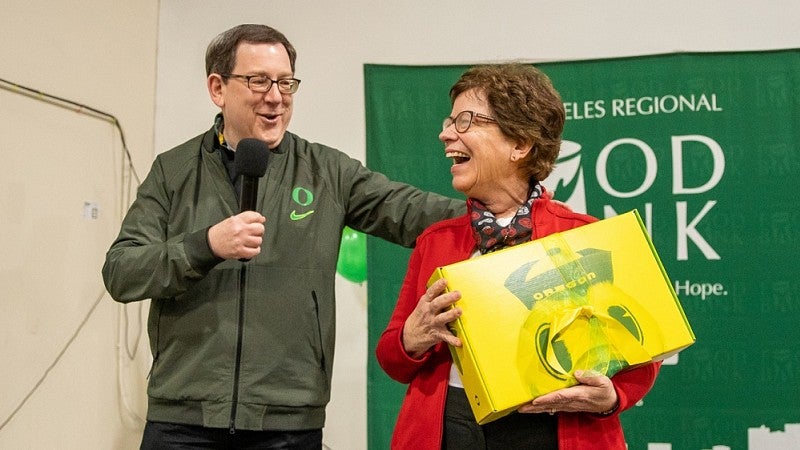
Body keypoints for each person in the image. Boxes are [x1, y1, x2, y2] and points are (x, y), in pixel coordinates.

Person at [101, 24, 464, 449]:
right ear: (217, 88)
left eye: (285, 82)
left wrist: (510, 209)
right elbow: (121, 271)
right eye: (258, 81)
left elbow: (415, 212)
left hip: (289, 419)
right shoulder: (173, 170)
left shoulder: (328, 171)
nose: (275, 96)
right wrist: (205, 245)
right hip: (182, 418)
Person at [375, 63, 661, 449]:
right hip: (450, 428)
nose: (445, 134)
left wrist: (611, 397)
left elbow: (640, 353)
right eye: (449, 121)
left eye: (465, 121)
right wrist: (412, 337)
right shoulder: (435, 241)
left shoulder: (584, 234)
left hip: (552, 428)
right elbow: (393, 357)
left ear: (520, 144)